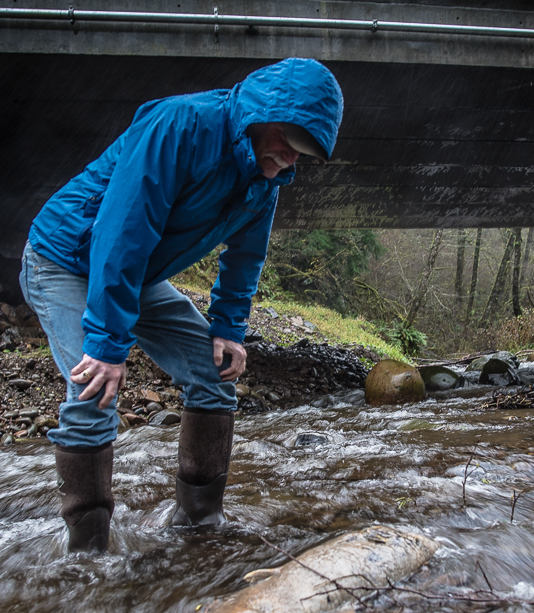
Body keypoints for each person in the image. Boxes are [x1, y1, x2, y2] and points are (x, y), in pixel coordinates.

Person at [19, 58, 344, 551]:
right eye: (289, 143)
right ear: (262, 117)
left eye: (304, 154)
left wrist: (228, 329)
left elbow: (246, 255)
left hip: (137, 271)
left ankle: (199, 527)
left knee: (214, 376)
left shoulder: (264, 177)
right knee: (93, 389)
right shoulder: (180, 125)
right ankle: (88, 558)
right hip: (64, 258)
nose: (291, 160)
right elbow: (123, 229)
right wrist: (108, 345)